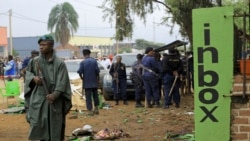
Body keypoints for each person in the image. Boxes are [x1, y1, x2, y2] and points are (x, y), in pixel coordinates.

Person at [24, 34, 72, 141]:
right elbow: (27, 73)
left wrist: (55, 94)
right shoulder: (34, 61)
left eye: (44, 45)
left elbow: (62, 81)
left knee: (55, 126)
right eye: (40, 45)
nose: (41, 47)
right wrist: (33, 78)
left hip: (54, 100)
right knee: (39, 125)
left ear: (51, 46)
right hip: (39, 99)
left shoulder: (60, 63)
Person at [77, 49, 100, 116]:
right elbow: (97, 71)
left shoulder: (83, 62)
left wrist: (82, 78)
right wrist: (97, 80)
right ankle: (96, 108)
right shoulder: (94, 61)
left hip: (87, 83)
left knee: (88, 97)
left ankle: (90, 110)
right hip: (94, 82)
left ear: (84, 54)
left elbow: (79, 72)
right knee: (95, 96)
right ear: (89, 54)